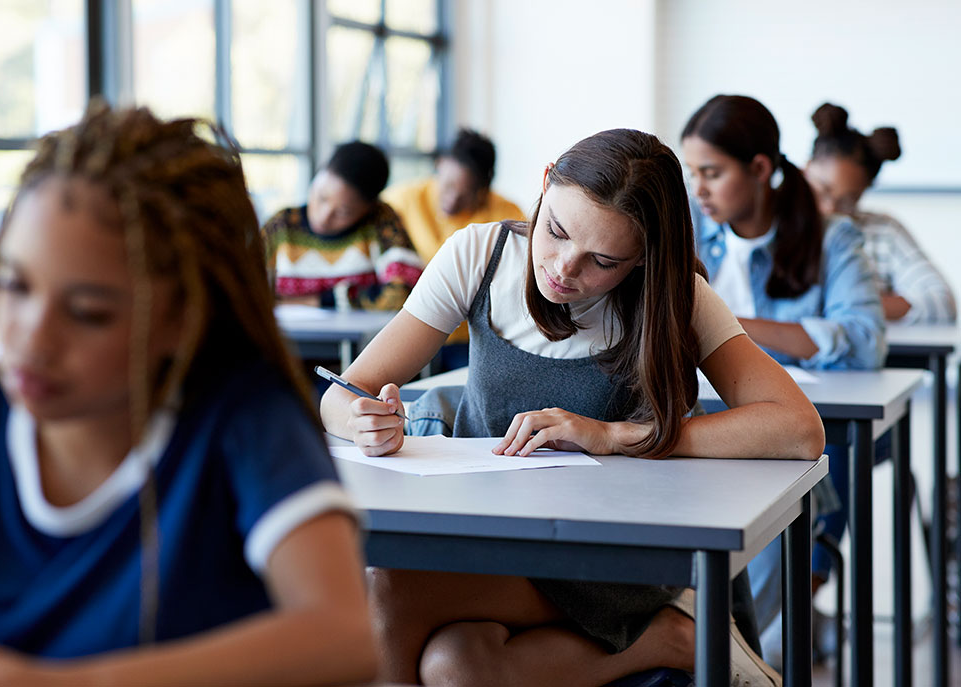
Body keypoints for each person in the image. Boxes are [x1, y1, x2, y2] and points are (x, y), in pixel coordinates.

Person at [321, 128, 825, 687]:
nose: (563, 268)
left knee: (389, 584)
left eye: (602, 261)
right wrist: (361, 421)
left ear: (641, 260)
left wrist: (613, 435)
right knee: (458, 666)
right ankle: (670, 638)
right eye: (555, 231)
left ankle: (665, 625)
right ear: (545, 184)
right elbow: (342, 394)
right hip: (489, 538)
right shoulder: (479, 256)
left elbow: (798, 429)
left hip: (610, 562)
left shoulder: (675, 296)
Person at [0, 102, 377, 686]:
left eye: (88, 312)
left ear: (181, 319)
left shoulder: (239, 420)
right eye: (13, 286)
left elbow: (346, 638)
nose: (32, 340)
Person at [681, 94, 887, 669]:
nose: (698, 188)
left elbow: (865, 337)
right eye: (692, 171)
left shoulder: (831, 237)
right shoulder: (689, 227)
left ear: (761, 169)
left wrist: (723, 329)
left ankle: (717, 653)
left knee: (798, 476)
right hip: (703, 411)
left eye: (712, 173)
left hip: (799, 417)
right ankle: (710, 647)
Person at [806, 102, 955, 324]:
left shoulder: (882, 232)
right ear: (804, 169)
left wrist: (852, 302)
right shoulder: (771, 224)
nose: (830, 209)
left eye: (847, 201)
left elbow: (941, 301)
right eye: (822, 190)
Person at [262, 141, 422, 311]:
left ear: (369, 208)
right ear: (316, 177)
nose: (324, 217)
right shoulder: (281, 226)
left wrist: (324, 300)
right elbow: (243, 286)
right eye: (321, 197)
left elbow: (405, 293)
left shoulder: (380, 222)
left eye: (343, 213)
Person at [383, 128, 526, 265]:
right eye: (448, 186)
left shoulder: (506, 216)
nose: (452, 201)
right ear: (439, 164)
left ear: (484, 191)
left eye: (466, 195)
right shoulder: (405, 199)